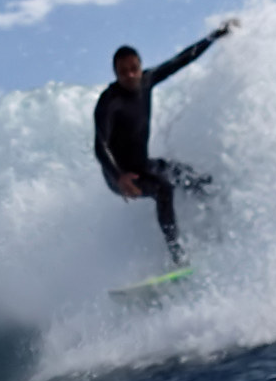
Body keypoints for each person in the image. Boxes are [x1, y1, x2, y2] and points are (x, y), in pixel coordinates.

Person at [93, 19, 239, 266]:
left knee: (197, 181)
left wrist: (213, 37)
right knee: (164, 189)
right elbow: (100, 145)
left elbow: (181, 60)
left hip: (143, 165)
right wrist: (119, 176)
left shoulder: (147, 80)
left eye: (133, 68)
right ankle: (178, 256)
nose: (130, 75)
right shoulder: (109, 101)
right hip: (119, 176)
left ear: (140, 66)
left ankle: (219, 230)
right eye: (123, 71)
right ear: (115, 73)